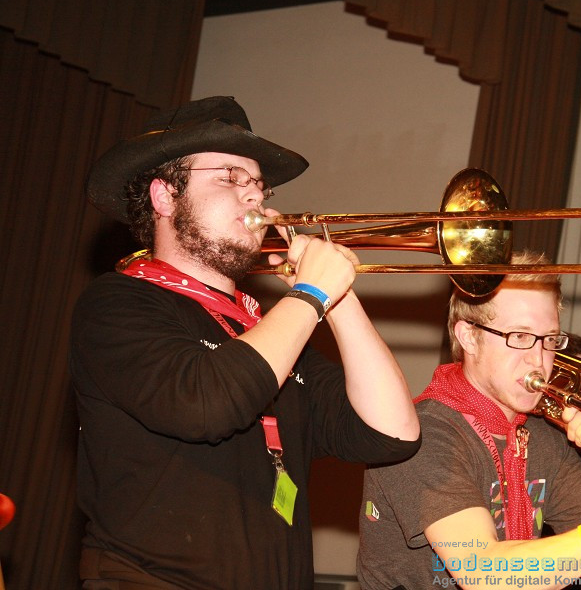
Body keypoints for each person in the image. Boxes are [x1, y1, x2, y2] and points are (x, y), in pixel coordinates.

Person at [70, 96, 421, 589]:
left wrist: (339, 299)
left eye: (258, 184)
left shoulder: (262, 328)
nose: (255, 196)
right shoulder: (118, 303)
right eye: (230, 177)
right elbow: (207, 403)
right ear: (165, 196)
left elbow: (392, 434)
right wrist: (311, 294)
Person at [357, 251, 581, 590]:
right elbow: (483, 572)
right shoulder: (424, 433)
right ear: (469, 336)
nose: (539, 360)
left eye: (549, 340)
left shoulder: (538, 437)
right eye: (521, 337)